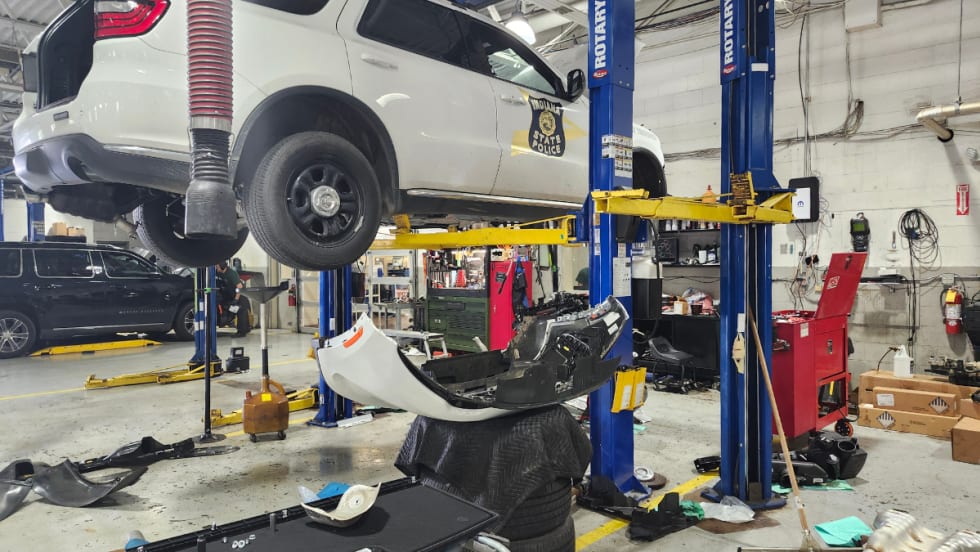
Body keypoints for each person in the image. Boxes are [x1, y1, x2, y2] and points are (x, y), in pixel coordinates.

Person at [216, 261, 250, 337]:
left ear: (222, 267)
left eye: (217, 266)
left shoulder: (232, 274)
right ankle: (247, 328)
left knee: (241, 312)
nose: (216, 268)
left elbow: (240, 287)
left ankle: (241, 332)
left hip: (240, 294)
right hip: (233, 295)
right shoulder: (220, 273)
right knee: (238, 311)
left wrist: (236, 300)